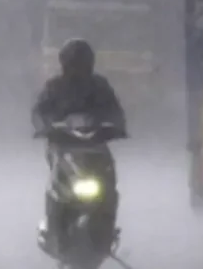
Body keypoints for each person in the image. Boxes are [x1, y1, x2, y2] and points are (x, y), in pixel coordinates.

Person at [31, 38, 127, 252]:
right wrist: (46, 127)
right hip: (63, 147)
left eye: (82, 63)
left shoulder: (100, 86)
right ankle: (54, 226)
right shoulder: (54, 87)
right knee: (57, 177)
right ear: (64, 64)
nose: (78, 68)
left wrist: (116, 127)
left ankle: (107, 226)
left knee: (109, 178)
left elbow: (115, 111)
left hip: (95, 147)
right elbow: (39, 111)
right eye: (74, 63)